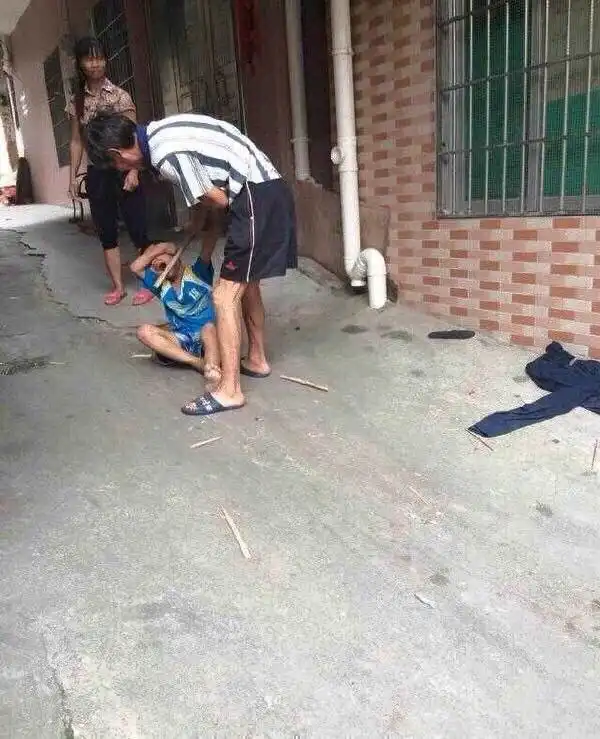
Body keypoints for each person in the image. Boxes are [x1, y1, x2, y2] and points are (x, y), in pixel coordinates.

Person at [86, 112, 297, 416]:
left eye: (116, 166)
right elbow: (208, 189)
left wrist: (209, 214)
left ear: (116, 154)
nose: (122, 170)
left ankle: (230, 391)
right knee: (247, 284)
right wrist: (201, 216)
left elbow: (218, 200)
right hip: (264, 187)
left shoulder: (164, 154)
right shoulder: (160, 132)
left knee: (224, 296)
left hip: (253, 195)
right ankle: (257, 359)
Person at [67, 37, 153, 306]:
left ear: (106, 60)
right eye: (89, 58)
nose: (95, 64)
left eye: (99, 58)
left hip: (124, 169)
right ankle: (118, 287)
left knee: (138, 228)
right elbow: (76, 141)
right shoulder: (77, 102)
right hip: (97, 173)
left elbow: (134, 140)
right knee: (106, 231)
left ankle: (149, 282)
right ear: (80, 64)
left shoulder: (120, 96)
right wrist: (73, 178)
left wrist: (134, 172)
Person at [130, 242, 220, 385]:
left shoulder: (198, 272)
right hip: (182, 338)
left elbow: (210, 239)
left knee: (208, 328)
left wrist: (163, 247)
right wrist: (159, 251)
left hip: (209, 336)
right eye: (153, 261)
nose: (157, 262)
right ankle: (197, 362)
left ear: (176, 257)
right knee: (144, 331)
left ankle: (213, 373)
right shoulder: (159, 284)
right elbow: (135, 267)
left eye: (162, 256)